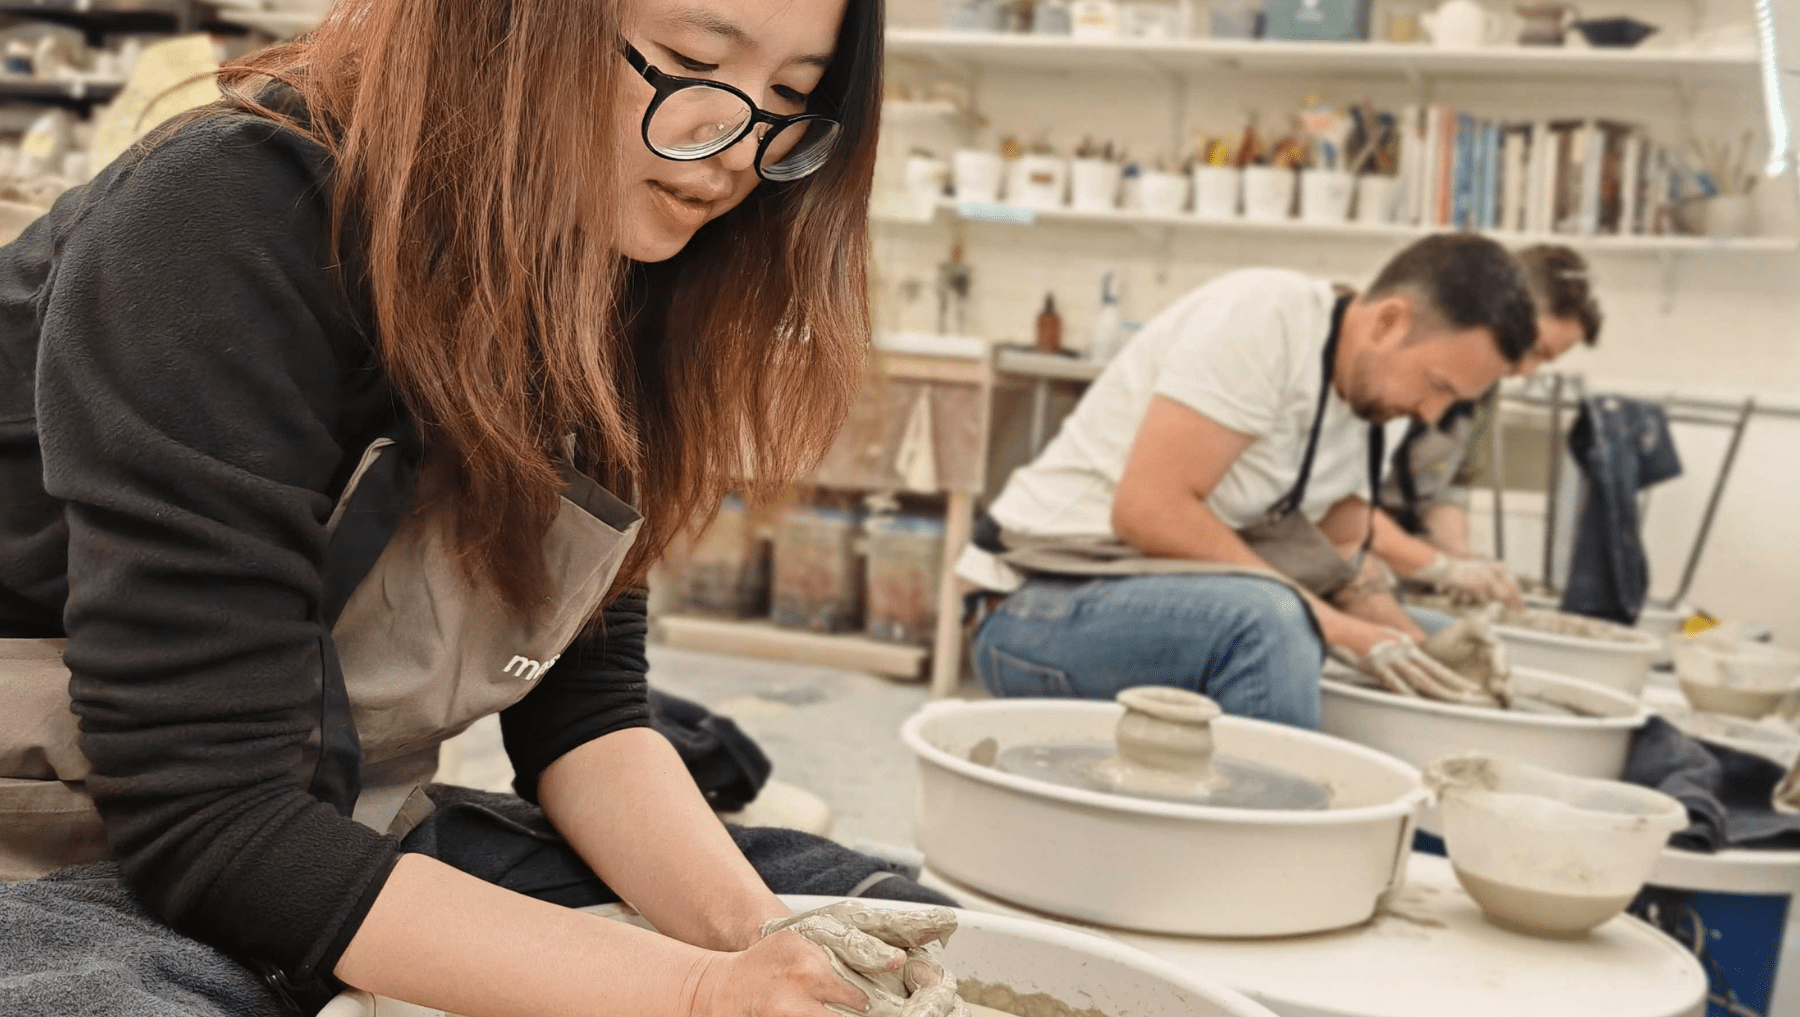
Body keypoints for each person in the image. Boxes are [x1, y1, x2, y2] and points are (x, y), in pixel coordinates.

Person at [0, 2, 967, 1017]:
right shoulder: (227, 213)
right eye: (691, 63)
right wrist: (699, 994)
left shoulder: (605, 264)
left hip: (321, 827)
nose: (732, 147)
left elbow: (587, 720)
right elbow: (209, 817)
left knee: (874, 921)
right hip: (84, 841)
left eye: (790, 99)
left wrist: (765, 941)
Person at [958, 234, 1539, 726]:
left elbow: (1341, 559)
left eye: (1453, 400)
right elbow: (1148, 511)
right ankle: (1274, 854)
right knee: (1272, 622)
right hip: (1032, 601)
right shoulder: (1265, 317)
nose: (1433, 414)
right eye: (1437, 384)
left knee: (1439, 647)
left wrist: (1415, 642)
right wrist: (1337, 627)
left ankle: (1419, 848)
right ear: (1389, 323)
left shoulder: (1381, 405)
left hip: (1170, 597)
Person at [1377, 244, 1604, 567]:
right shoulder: (1394, 364)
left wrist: (1463, 562)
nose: (1527, 371)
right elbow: (1335, 512)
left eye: (1545, 361)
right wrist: (1440, 569)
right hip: (1334, 554)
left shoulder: (1484, 390)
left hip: (1393, 550)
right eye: (1535, 350)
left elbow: (1452, 486)